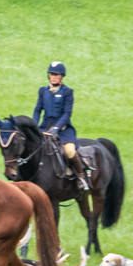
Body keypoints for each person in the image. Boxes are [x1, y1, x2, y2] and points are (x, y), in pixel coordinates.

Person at [33, 61, 92, 192]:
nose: (53, 77)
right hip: (45, 128)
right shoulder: (43, 91)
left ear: (62, 76)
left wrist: (56, 128)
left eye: (56, 75)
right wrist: (34, 125)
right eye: (51, 74)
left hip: (63, 130)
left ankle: (81, 177)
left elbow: (67, 113)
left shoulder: (67, 92)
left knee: (69, 151)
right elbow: (37, 110)